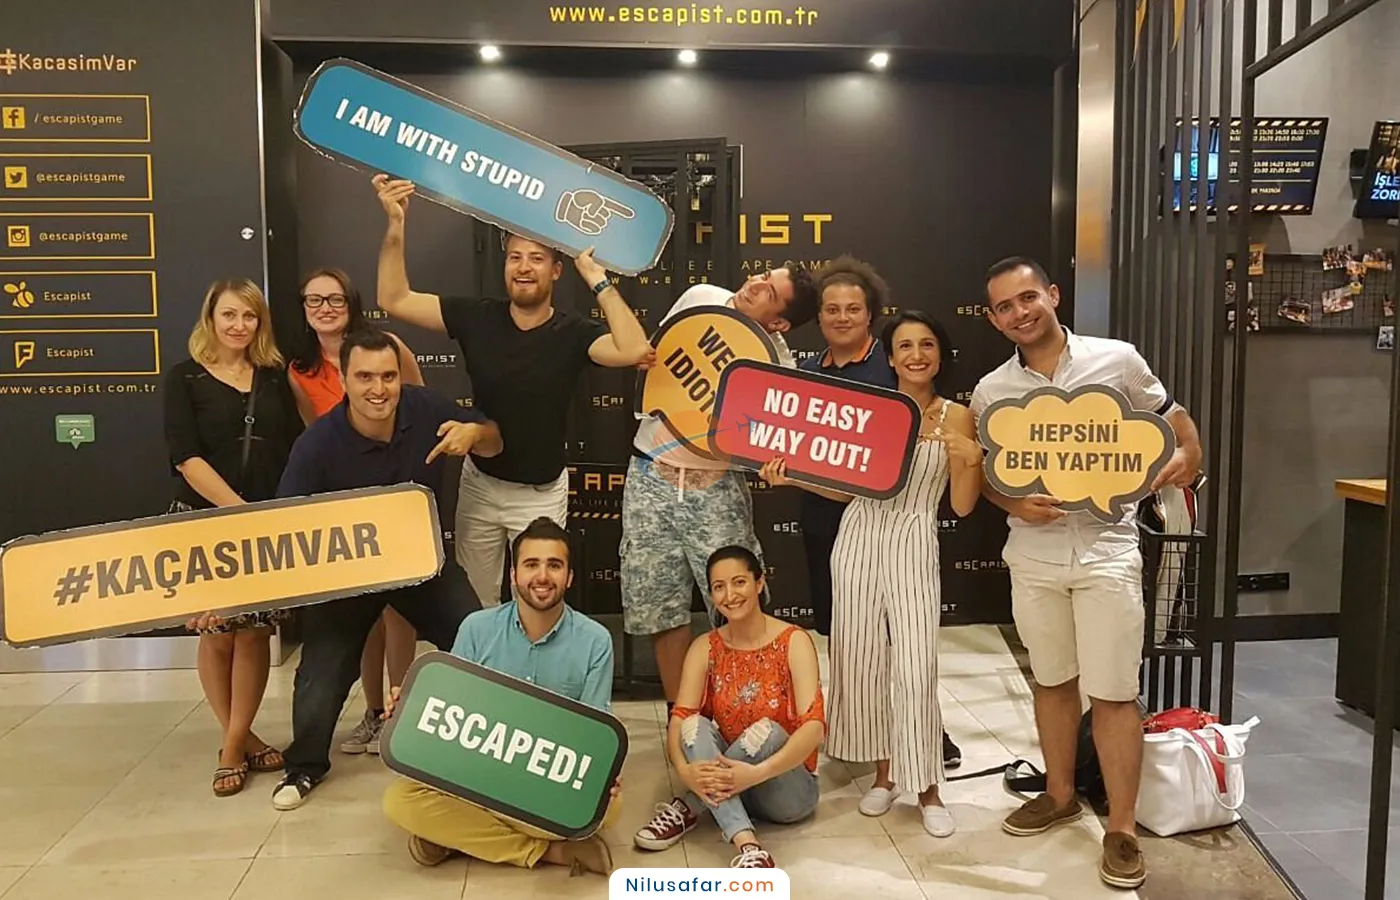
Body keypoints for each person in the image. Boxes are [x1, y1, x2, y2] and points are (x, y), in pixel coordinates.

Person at [972, 257, 1203, 890]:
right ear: (994, 320)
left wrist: (1186, 454)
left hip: (1108, 552)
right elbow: (990, 476)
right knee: (1051, 682)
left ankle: (1121, 829)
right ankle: (1059, 794)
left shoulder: (1117, 360)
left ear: (1052, 295)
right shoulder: (992, 390)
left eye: (1028, 298)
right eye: (1005, 307)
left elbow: (1177, 424)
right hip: (1034, 556)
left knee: (1113, 694)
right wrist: (1013, 501)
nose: (1020, 313)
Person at [371, 174, 652, 608]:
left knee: (539, 602)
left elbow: (634, 349)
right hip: (482, 485)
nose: (523, 267)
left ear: (556, 271)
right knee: (475, 604)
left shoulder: (574, 332)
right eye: (515, 257)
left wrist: (597, 279)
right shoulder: (477, 317)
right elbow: (394, 298)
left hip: (541, 492)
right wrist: (395, 224)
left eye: (536, 259)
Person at [764, 310, 981, 838]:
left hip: (914, 538)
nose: (916, 355)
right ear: (890, 357)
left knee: (916, 666)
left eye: (926, 344)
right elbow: (845, 491)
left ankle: (927, 787)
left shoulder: (958, 417)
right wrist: (793, 478)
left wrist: (971, 459)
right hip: (858, 537)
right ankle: (884, 776)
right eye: (905, 346)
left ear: (940, 354)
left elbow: (962, 506)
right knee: (862, 661)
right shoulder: (873, 410)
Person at [271, 327, 503, 811]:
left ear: (401, 377)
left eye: (388, 376)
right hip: (349, 578)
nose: (378, 389)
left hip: (421, 564)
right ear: (343, 380)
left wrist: (476, 433)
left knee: (477, 635)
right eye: (365, 377)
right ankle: (304, 767)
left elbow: (494, 443)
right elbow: (284, 527)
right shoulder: (316, 445)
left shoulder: (428, 408)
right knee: (320, 674)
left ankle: (490, 750)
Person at [621, 268, 819, 714]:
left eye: (769, 291)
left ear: (779, 322)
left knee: (737, 603)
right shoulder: (700, 297)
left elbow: (765, 443)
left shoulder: (777, 364)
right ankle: (681, 717)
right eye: (763, 274)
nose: (755, 283)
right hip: (650, 473)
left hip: (716, 487)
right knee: (661, 605)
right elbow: (656, 360)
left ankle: (741, 712)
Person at [382, 517, 618, 876]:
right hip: (477, 773)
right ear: (513, 575)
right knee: (400, 800)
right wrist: (410, 707)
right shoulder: (476, 628)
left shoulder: (596, 640)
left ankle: (454, 835)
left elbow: (593, 733)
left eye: (554, 565)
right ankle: (547, 851)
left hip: (546, 777)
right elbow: (449, 708)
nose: (542, 576)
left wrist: (601, 773)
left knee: (609, 808)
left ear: (569, 577)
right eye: (531, 564)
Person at [798, 257, 963, 770]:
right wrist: (784, 470)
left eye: (852, 309)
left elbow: (951, 491)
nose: (842, 317)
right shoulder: (807, 374)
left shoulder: (900, 382)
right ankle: (874, 750)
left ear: (870, 315)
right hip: (834, 524)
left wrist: (967, 457)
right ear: (819, 316)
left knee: (910, 645)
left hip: (903, 528)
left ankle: (927, 740)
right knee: (853, 642)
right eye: (832, 309)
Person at [163, 278, 303, 797]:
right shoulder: (184, 378)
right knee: (217, 632)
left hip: (264, 522)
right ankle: (235, 744)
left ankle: (237, 739)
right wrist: (238, 511)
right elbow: (185, 457)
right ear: (211, 318)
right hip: (205, 521)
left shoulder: (274, 377)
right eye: (229, 315)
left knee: (254, 633)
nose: (239, 325)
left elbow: (293, 446)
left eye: (248, 316)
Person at [287, 267, 426, 758]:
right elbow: (316, 434)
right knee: (361, 613)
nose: (325, 308)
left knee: (399, 610)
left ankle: (402, 711)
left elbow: (418, 404)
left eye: (335, 299)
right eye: (315, 300)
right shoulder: (298, 369)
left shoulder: (386, 345)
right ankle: (373, 711)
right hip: (345, 507)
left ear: (351, 302)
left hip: (397, 494)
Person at [632, 545, 825, 869]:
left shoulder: (794, 641)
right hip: (735, 784)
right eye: (719, 587)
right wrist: (684, 771)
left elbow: (815, 728)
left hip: (785, 791)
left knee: (766, 732)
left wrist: (757, 773)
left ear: (759, 583)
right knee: (693, 726)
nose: (730, 595)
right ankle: (748, 846)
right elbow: (679, 720)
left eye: (739, 582)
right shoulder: (705, 647)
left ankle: (689, 807)